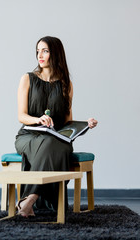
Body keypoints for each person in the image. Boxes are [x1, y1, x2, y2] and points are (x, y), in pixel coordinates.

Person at [15, 36, 98, 217]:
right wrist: (38, 120)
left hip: (56, 137)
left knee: (56, 145)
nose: (40, 55)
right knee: (51, 145)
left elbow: (68, 121)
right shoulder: (27, 79)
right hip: (28, 136)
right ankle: (30, 202)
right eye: (38, 51)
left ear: (56, 53)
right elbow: (21, 116)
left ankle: (28, 200)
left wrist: (86, 124)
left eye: (45, 51)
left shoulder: (66, 84)